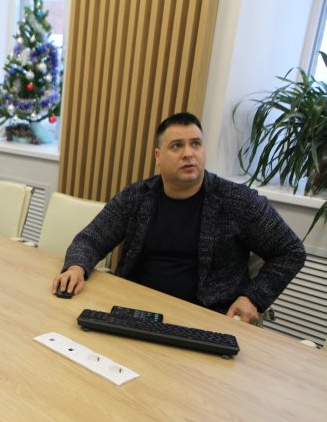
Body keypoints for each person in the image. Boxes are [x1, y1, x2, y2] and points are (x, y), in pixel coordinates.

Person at [51, 112, 306, 324]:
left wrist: (253, 298)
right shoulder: (137, 196)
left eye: (196, 144)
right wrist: (76, 267)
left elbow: (291, 251)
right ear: (158, 157)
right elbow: (91, 239)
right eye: (177, 146)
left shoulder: (237, 201)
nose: (188, 153)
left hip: (207, 318)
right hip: (135, 310)